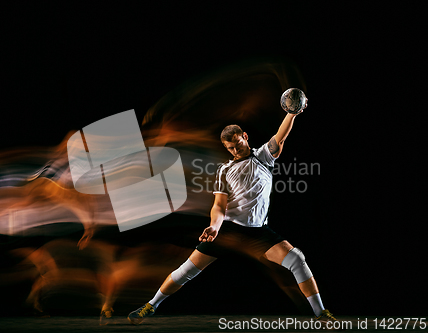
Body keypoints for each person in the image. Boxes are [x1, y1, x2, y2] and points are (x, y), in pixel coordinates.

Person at [127, 102, 337, 324]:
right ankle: (150, 306)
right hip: (228, 231)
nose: (236, 151)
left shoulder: (263, 157)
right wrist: (214, 226)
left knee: (296, 259)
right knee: (185, 271)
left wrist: (291, 113)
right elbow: (219, 205)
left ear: (244, 136)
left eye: (238, 144)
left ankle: (321, 313)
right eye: (230, 148)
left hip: (259, 233)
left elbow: (280, 136)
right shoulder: (224, 170)